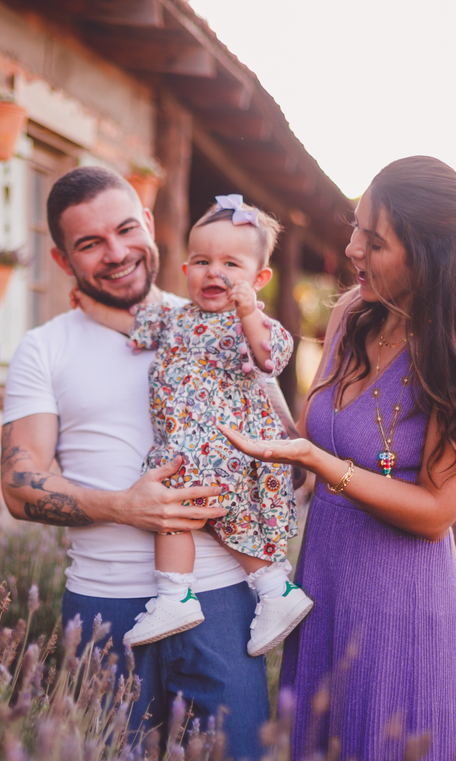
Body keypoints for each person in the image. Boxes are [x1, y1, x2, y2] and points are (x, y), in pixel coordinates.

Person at [218, 156, 456, 761]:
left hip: (399, 602)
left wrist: (321, 466)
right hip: (323, 582)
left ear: (429, 255)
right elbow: (311, 435)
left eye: (375, 240)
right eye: (356, 228)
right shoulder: (353, 314)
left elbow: (439, 508)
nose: (352, 248)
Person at [0, 166, 290, 761]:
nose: (117, 253)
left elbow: (286, 440)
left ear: (152, 227)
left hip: (220, 603)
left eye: (127, 229)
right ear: (60, 257)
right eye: (89, 243)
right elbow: (21, 485)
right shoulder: (44, 349)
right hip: (103, 608)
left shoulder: (220, 326)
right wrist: (126, 506)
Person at [73, 195, 314, 655]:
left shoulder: (253, 325)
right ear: (185, 269)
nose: (214, 272)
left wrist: (247, 313)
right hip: (189, 449)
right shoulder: (177, 318)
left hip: (224, 448)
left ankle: (179, 594)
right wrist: (90, 306)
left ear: (259, 279)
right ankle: (268, 590)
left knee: (180, 505)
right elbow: (131, 326)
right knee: (190, 513)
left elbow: (269, 359)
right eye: (201, 261)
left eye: (230, 263)